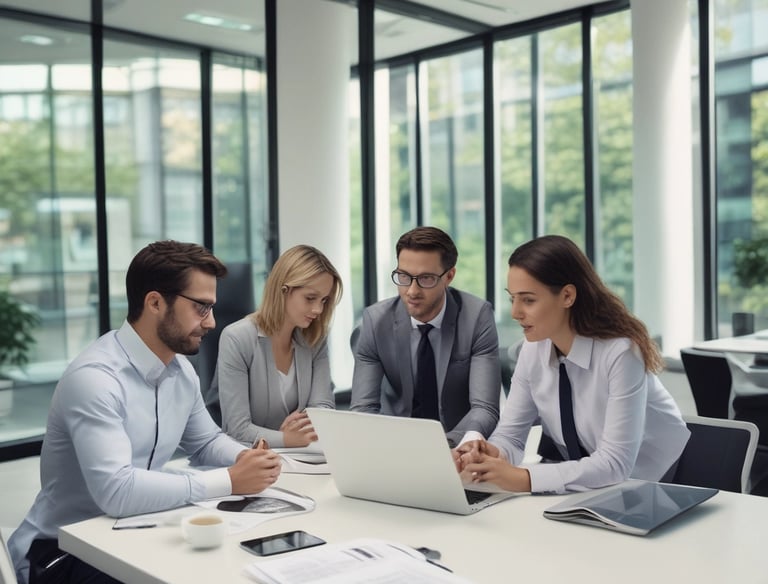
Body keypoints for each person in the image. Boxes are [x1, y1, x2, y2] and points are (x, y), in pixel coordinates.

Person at [8, 241, 282, 584]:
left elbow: (205, 441)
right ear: (154, 302)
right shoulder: (95, 379)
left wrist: (247, 458)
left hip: (134, 530)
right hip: (63, 550)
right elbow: (117, 491)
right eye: (201, 307)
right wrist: (229, 480)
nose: (211, 322)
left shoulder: (181, 371)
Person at [454, 234, 690, 494]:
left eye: (528, 300)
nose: (515, 312)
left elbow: (615, 463)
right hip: (592, 480)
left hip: (661, 478)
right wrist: (491, 454)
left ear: (567, 295)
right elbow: (510, 435)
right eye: (513, 299)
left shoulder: (621, 353)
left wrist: (525, 478)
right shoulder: (531, 350)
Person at [351, 226, 501, 446]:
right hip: (395, 444)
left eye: (426, 278)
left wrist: (443, 447)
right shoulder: (375, 322)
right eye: (403, 276)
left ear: (449, 276)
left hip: (458, 444)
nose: (412, 291)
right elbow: (363, 409)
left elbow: (485, 408)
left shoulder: (477, 317)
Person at [213, 245, 343, 448]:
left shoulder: (315, 338)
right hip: (252, 459)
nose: (318, 309)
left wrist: (299, 431)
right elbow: (237, 429)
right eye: (310, 298)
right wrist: (286, 439)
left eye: (324, 300)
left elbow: (323, 409)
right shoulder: (237, 338)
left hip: (301, 457)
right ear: (284, 290)